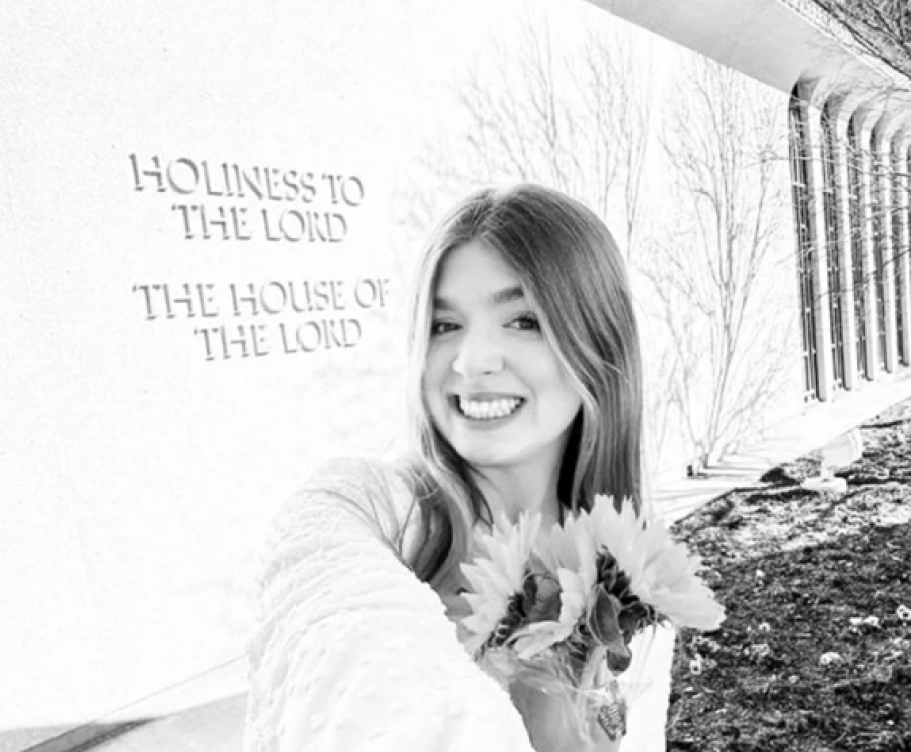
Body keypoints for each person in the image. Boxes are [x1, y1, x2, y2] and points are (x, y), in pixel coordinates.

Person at [244, 185, 675, 751]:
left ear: (600, 342)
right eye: (444, 325)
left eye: (523, 319)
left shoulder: (629, 567)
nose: (471, 362)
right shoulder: (368, 510)